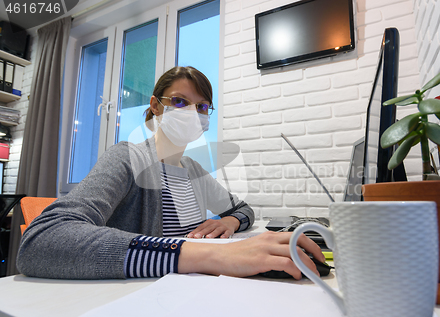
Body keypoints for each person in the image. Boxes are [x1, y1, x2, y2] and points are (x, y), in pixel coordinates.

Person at [17, 66, 323, 280]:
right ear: (156, 107)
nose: (193, 113)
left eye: (203, 107)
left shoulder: (194, 170)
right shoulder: (128, 157)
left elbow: (243, 210)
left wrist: (229, 220)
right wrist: (211, 256)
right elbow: (41, 241)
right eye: (180, 101)